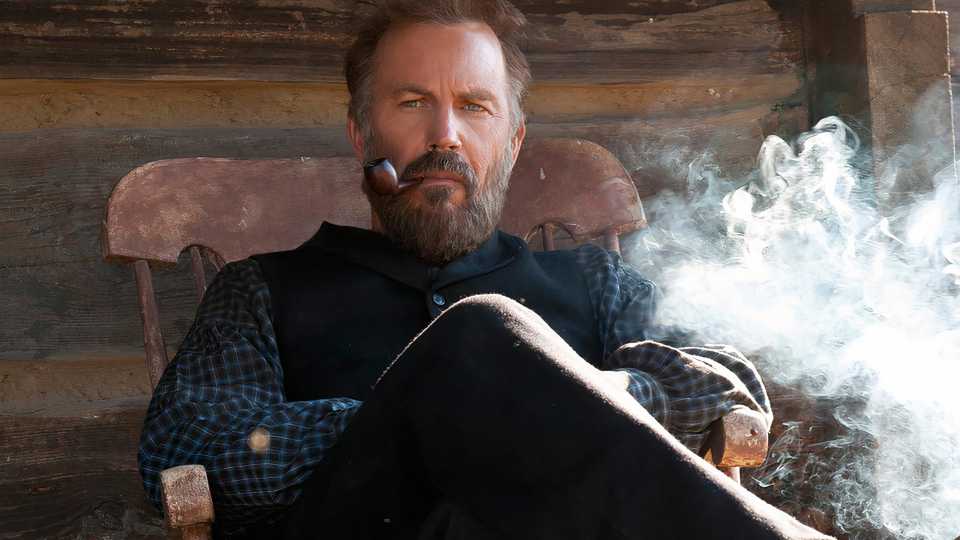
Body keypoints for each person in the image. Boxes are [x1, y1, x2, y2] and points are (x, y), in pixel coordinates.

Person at [138, 1, 831, 538]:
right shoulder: (261, 291)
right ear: (361, 133)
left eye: (474, 107)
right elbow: (187, 450)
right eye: (413, 103)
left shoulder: (595, 283)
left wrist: (564, 401)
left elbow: (729, 387)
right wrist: (417, 410)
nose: (445, 134)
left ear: (512, 140)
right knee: (476, 337)